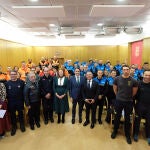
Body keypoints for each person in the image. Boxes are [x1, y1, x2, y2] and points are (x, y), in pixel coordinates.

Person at [111, 65, 138, 144]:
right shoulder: (117, 79)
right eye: (124, 69)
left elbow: (134, 92)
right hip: (119, 101)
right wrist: (119, 96)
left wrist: (128, 97)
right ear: (122, 70)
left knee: (127, 118)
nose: (126, 71)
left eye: (127, 69)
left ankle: (127, 134)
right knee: (117, 116)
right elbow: (115, 89)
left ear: (129, 70)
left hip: (129, 102)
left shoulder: (134, 80)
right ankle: (115, 131)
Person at [5, 70, 25, 136]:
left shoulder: (21, 82)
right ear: (10, 75)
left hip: (20, 101)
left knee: (20, 114)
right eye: (12, 74)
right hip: (11, 102)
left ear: (17, 75)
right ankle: (14, 127)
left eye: (14, 74)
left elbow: (24, 92)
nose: (13, 75)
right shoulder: (7, 83)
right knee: (12, 115)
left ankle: (22, 125)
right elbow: (6, 94)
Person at [133, 70, 150, 145]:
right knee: (137, 120)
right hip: (140, 105)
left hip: (149, 107)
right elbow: (134, 95)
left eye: (149, 75)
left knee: (149, 122)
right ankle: (136, 134)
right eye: (146, 75)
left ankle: (148, 136)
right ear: (143, 75)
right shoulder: (138, 84)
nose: (147, 77)